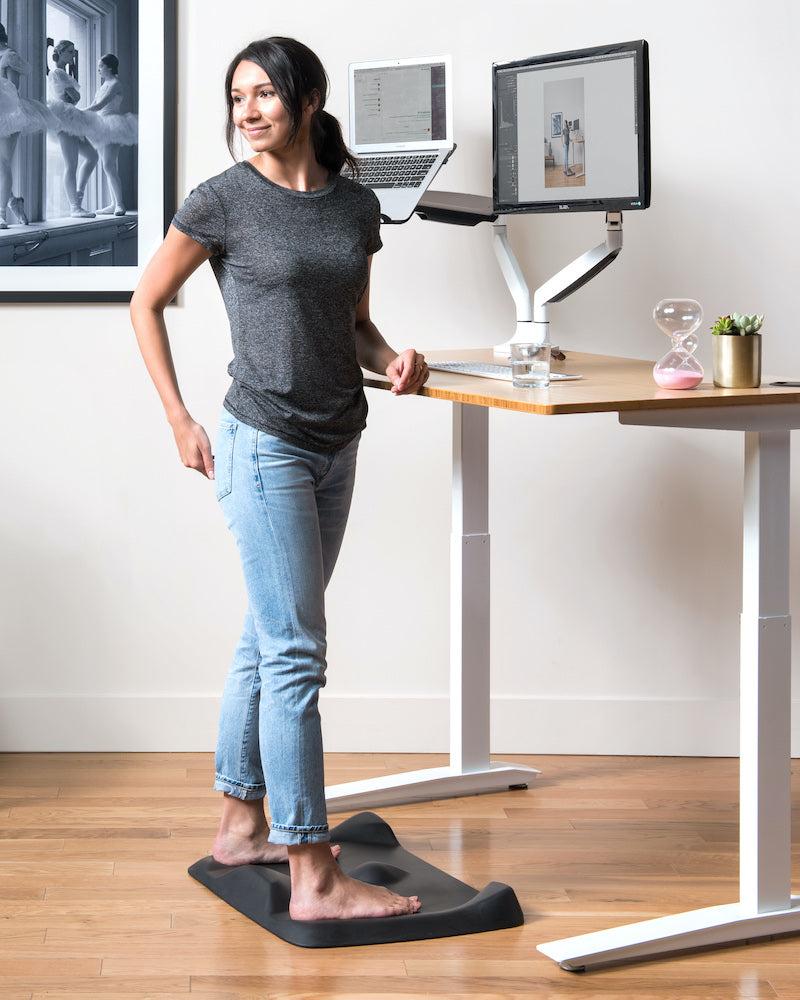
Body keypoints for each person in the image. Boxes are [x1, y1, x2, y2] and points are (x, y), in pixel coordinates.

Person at [130, 36, 428, 921]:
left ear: (306, 100)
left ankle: (238, 827)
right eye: (237, 97)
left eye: (264, 94)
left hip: (340, 439)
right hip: (262, 444)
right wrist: (180, 418)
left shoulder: (356, 207)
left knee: (270, 640)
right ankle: (312, 873)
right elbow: (145, 302)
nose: (248, 111)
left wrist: (393, 360)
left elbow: (356, 327)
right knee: (297, 652)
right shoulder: (221, 202)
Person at [0, 22, 51, 228]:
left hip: (10, 112)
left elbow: (13, 88)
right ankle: (14, 202)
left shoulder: (9, 56)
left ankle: (2, 213)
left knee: (3, 162)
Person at [47, 40, 99, 218]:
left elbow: (75, 97)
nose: (72, 55)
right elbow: (73, 96)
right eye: (69, 52)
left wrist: (74, 96)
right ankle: (74, 206)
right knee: (71, 164)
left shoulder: (64, 73)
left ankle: (78, 194)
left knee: (92, 156)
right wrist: (73, 96)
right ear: (60, 53)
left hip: (71, 116)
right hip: (64, 118)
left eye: (73, 52)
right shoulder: (57, 72)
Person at [85, 53, 138, 216]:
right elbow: (94, 104)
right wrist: (82, 112)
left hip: (113, 125)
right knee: (106, 166)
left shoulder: (115, 84)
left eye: (100, 66)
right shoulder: (103, 86)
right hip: (101, 125)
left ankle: (119, 204)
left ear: (108, 67)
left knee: (108, 165)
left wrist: (78, 112)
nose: (98, 69)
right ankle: (114, 203)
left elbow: (101, 105)